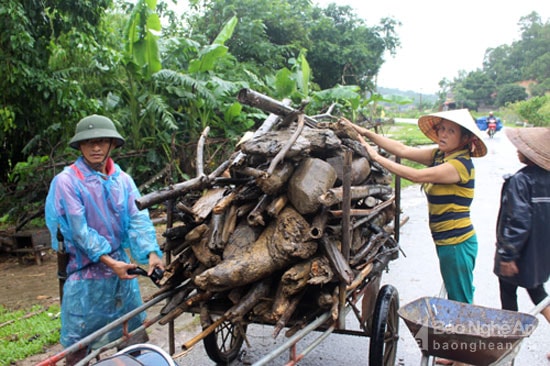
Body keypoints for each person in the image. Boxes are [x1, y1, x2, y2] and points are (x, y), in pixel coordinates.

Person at [45, 114, 164, 365]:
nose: (96, 147)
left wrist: (152, 254)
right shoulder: (68, 181)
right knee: (79, 347)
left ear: (112, 144)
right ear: (80, 146)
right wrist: (110, 263)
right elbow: (79, 231)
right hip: (85, 277)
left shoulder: (123, 180)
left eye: (101, 141)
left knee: (135, 337)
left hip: (122, 277)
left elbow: (137, 219)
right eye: (89, 142)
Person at [346, 109, 487, 305]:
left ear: (465, 139)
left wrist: (376, 158)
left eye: (451, 131)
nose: (443, 134)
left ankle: (465, 335)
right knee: (459, 296)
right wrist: (366, 133)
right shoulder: (440, 155)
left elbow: (416, 176)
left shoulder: (459, 165)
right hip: (447, 242)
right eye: (442, 129)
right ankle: (459, 334)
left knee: (461, 304)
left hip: (456, 243)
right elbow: (402, 150)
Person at [493, 127, 550, 350]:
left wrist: (507, 255)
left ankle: (508, 345)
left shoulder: (521, 180)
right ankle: (508, 344)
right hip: (541, 250)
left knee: (508, 295)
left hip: (520, 253)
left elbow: (516, 220)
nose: (517, 150)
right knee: (539, 293)